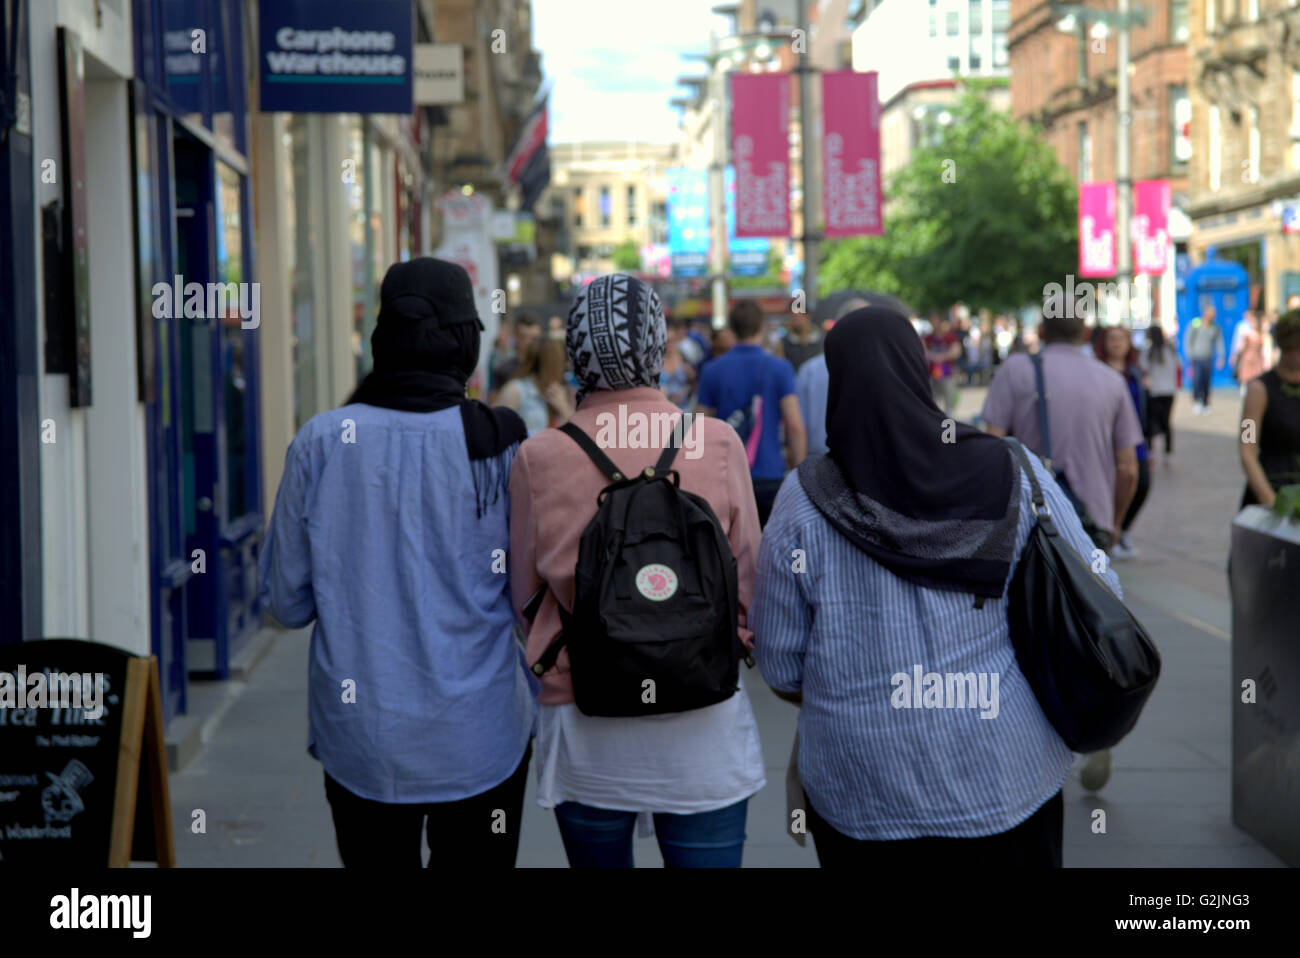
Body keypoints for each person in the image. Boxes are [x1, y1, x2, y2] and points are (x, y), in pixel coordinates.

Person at [752, 306, 1124, 868]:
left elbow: (779, 665)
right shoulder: (1013, 470)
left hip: (861, 794)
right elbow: (1103, 589)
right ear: (918, 369)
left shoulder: (803, 499)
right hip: (1005, 780)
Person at [258, 258, 536, 869]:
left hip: (364, 741)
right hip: (481, 736)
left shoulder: (322, 441)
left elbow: (285, 603)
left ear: (384, 340)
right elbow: (529, 601)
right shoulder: (503, 443)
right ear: (465, 344)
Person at [508, 273, 765, 868]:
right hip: (703, 722)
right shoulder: (716, 442)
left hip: (586, 719)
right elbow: (749, 583)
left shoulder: (538, 455)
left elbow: (523, 594)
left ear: (576, 352)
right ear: (657, 345)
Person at [981, 309, 1143, 794]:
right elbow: (1129, 466)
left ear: (1042, 332)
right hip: (1090, 525)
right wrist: (1114, 523)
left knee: (1024, 630)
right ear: (1088, 334)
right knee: (1086, 626)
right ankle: (1093, 727)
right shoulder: (1110, 381)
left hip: (1025, 525)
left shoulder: (1014, 371)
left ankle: (1032, 740)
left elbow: (991, 446)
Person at [697, 300, 807, 526]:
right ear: (762, 327)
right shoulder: (780, 368)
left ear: (731, 328)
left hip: (727, 476)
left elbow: (697, 425)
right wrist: (799, 473)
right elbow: (794, 425)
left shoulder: (712, 370)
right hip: (770, 475)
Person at [1096, 326, 1151, 559]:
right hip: (1108, 440)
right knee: (1114, 484)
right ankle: (1110, 531)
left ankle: (1123, 528)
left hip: (1135, 437)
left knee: (1142, 483)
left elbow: (1145, 409)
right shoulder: (1098, 372)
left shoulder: (1135, 373)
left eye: (1122, 339)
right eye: (1112, 339)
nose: (1117, 344)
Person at [1240, 309, 1300, 508]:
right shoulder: (1258, 390)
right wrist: (1270, 500)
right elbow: (1247, 448)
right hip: (1272, 491)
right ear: (1286, 346)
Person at [796, 297, 869, 458]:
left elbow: (799, 427)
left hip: (817, 459)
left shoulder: (809, 370)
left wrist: (799, 471)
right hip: (865, 460)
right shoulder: (884, 370)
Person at [497, 333, 572, 435]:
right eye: (561, 362)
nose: (565, 367)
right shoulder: (515, 390)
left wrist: (564, 408)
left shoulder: (558, 393)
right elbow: (497, 432)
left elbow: (575, 436)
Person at [1143, 325, 1178, 466]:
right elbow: (1178, 365)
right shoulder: (1169, 350)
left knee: (1152, 420)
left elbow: (1143, 368)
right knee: (1166, 421)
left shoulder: (1148, 352)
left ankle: (1151, 450)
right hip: (1169, 391)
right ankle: (1167, 452)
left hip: (1155, 391)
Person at [1186, 304, 1225, 414]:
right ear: (1205, 314)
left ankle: (1205, 402)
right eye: (1210, 314)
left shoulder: (1215, 327)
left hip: (1208, 358)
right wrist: (1190, 355)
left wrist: (1221, 356)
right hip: (1197, 358)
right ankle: (1197, 400)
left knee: (1206, 381)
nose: (1212, 317)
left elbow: (1219, 342)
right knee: (1197, 379)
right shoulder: (1196, 323)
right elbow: (1189, 340)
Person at [923, 310, 963, 415]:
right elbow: (923, 350)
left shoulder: (951, 336)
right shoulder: (928, 338)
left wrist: (939, 357)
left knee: (949, 399)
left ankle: (949, 425)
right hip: (933, 373)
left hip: (948, 372)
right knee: (933, 399)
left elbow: (956, 352)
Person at [1231, 310, 1267, 397]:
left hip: (1257, 359)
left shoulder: (1262, 335)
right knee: (1246, 377)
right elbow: (1240, 347)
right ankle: (1246, 393)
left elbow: (1265, 350)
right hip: (1247, 358)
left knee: (1256, 378)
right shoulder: (1246, 334)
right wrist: (1235, 356)